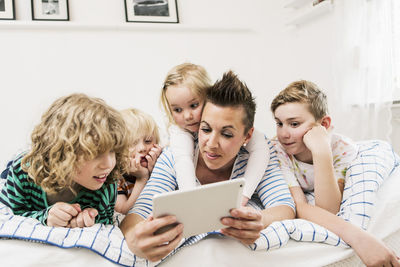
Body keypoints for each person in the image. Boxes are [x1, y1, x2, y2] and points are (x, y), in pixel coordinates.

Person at [120, 70, 295, 262]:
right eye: (205, 129)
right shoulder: (173, 156)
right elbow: (137, 214)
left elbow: (284, 207)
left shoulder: (260, 156)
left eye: (227, 134)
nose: (211, 143)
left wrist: (260, 219)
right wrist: (134, 238)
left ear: (247, 135)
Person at [271, 80, 400, 266]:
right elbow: (299, 205)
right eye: (279, 123)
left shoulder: (342, 149)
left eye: (294, 124)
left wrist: (321, 151)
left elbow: (329, 209)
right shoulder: (278, 151)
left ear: (323, 124)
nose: (284, 133)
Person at [0, 93, 129, 228]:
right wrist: (46, 217)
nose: (109, 165)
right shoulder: (23, 171)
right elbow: (10, 217)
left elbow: (106, 224)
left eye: (113, 151)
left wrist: (87, 221)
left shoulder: (106, 182)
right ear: (64, 152)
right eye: (96, 153)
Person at [161, 63, 269, 205]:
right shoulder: (178, 134)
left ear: (207, 99)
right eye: (177, 110)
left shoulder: (248, 134)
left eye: (193, 105)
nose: (187, 116)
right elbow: (183, 163)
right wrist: (191, 203)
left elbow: (261, 150)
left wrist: (243, 196)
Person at [115, 108, 162, 215]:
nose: (142, 148)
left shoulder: (161, 165)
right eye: (132, 143)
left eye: (148, 141)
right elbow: (123, 211)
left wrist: (155, 171)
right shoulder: (116, 179)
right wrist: (142, 178)